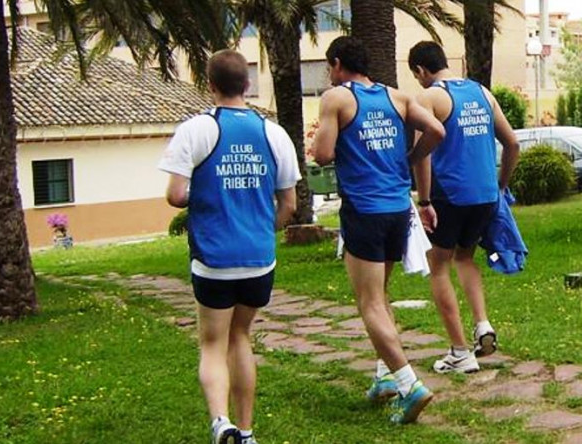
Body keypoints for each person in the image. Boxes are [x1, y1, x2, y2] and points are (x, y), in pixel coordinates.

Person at [158, 49, 301, 444]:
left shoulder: (195, 129)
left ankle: (221, 422)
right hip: (258, 258)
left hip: (213, 258)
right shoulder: (274, 133)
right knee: (241, 336)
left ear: (210, 85)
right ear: (248, 84)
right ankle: (248, 430)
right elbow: (289, 203)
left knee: (212, 342)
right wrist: (262, 227)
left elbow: (175, 195)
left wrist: (207, 193)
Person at [313, 36, 445, 424]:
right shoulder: (398, 98)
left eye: (329, 67)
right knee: (382, 295)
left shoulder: (336, 98)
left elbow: (322, 155)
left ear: (337, 64)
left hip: (364, 210)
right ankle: (383, 376)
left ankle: (409, 384)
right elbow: (436, 130)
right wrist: (410, 158)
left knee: (369, 302)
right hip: (396, 209)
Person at [407, 41, 520, 374]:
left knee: (438, 263)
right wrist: (500, 184)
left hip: (449, 195)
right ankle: (482, 324)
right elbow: (512, 143)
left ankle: (460, 352)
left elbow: (422, 155)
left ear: (420, 71)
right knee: (465, 257)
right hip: (485, 194)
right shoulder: (482, 93)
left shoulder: (429, 97)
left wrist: (424, 200)